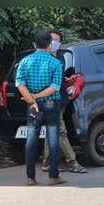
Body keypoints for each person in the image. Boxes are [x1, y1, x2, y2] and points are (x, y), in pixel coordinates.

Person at [16, 30, 67, 186]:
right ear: (50, 44)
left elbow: (20, 83)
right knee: (53, 139)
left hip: (32, 105)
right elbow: (55, 87)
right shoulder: (55, 63)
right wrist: (38, 97)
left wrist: (32, 100)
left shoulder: (25, 61)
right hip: (51, 103)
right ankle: (53, 176)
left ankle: (30, 177)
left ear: (34, 44)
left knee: (31, 139)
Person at [41, 31, 87, 174]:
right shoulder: (42, 59)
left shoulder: (60, 58)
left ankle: (47, 163)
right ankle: (73, 162)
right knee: (61, 132)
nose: (53, 42)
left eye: (56, 40)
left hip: (62, 101)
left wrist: (69, 80)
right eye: (51, 40)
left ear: (60, 43)